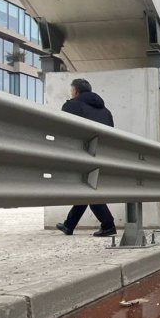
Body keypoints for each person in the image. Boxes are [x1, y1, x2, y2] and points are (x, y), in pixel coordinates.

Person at [56, 78, 116, 237]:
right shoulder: (105, 111)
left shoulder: (72, 105)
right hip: (103, 154)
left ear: (75, 91)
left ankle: (108, 224)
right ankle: (69, 225)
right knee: (85, 187)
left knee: (87, 189)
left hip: (81, 152)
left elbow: (64, 129)